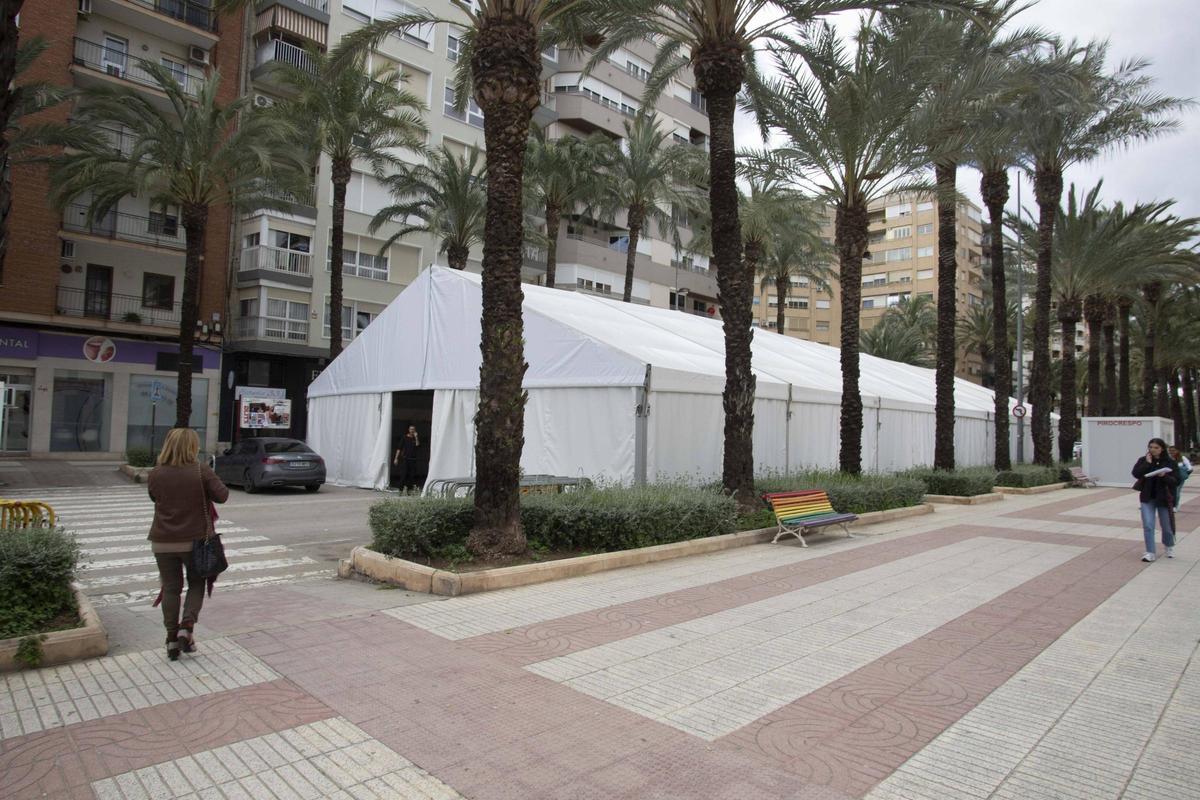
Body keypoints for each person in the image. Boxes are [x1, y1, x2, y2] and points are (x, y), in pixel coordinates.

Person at [148, 428, 229, 660]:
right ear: (192, 447)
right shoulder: (200, 470)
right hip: (195, 542)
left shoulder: (156, 472)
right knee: (196, 583)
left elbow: (154, 497)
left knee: (171, 588)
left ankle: (171, 639)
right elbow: (222, 496)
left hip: (162, 541)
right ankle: (187, 626)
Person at [1131, 437, 1177, 563]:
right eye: (1150, 447)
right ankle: (1150, 552)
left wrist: (1164, 476)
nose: (1153, 450)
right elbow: (1135, 473)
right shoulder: (1143, 460)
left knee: (1166, 526)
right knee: (1148, 525)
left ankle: (1169, 546)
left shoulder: (1169, 462)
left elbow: (1175, 481)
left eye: (1156, 447)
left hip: (1163, 498)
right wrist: (1147, 463)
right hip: (1147, 498)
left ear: (1162, 449)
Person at [393, 425, 421, 490]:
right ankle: (400, 488)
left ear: (415, 430)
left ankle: (409, 489)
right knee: (404, 474)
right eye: (411, 429)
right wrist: (396, 458)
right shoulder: (404, 437)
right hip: (405, 459)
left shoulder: (415, 438)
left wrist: (416, 437)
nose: (412, 431)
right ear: (409, 430)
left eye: (413, 429)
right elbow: (399, 448)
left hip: (413, 459)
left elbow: (418, 446)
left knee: (412, 475)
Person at [1167, 445, 1192, 511]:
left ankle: (1175, 506)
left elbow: (1189, 468)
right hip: (1169, 478)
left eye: (1173, 450)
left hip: (1179, 478)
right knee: (1170, 492)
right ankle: (1170, 505)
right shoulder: (1168, 458)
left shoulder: (1182, 458)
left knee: (1177, 491)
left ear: (1177, 451)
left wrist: (1183, 472)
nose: (1172, 452)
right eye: (1170, 451)